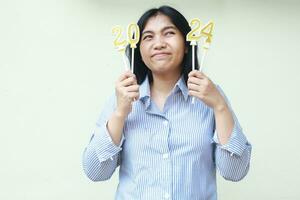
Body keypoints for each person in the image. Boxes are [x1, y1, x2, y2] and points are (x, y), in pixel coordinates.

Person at [82, 5, 252, 200]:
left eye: (169, 33)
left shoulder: (212, 97)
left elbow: (235, 172)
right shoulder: (121, 99)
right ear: (138, 48)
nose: (159, 43)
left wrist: (220, 107)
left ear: (187, 43)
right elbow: (95, 172)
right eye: (148, 37)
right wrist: (120, 113)